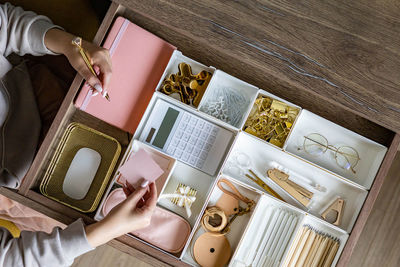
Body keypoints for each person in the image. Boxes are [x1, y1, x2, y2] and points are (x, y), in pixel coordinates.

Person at [0, 3, 157, 266]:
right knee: (130, 201)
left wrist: (69, 44)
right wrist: (104, 231)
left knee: (132, 107)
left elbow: (6, 25)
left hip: (30, 83)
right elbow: (12, 260)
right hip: (19, 181)